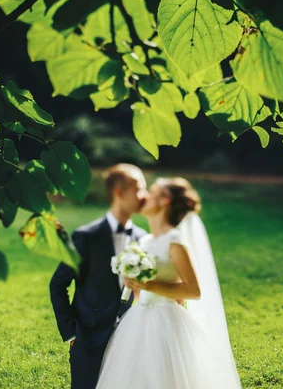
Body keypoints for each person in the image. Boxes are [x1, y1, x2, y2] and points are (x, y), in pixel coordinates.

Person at [96, 177, 241, 389]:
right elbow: (143, 290)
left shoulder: (175, 241)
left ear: (165, 200)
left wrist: (148, 285)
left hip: (166, 320)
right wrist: (134, 283)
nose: (145, 196)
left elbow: (193, 290)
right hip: (139, 317)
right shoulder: (145, 241)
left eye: (152, 191)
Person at [49, 164, 148, 389]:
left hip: (130, 337)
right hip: (89, 338)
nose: (145, 196)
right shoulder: (86, 236)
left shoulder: (143, 239)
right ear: (119, 193)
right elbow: (58, 284)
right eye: (139, 189)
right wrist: (71, 333)